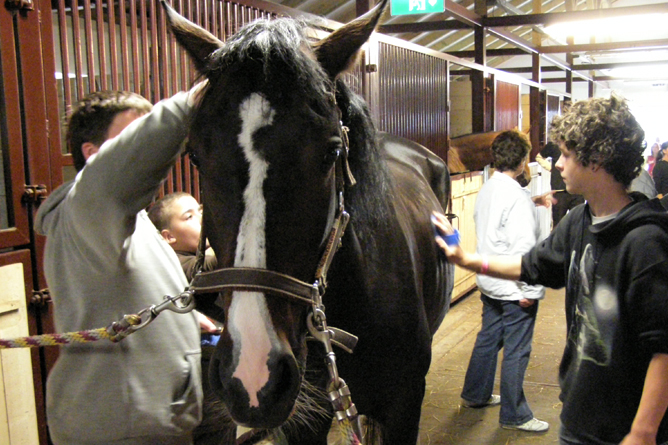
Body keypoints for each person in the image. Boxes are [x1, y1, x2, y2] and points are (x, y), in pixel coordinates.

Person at [434, 95, 668, 445]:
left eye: (567, 155)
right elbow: (531, 265)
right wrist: (467, 260)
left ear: (597, 160)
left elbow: (663, 348)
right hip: (578, 415)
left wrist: (642, 432)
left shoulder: (645, 243)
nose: (558, 164)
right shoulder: (578, 221)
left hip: (622, 428)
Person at [35, 88, 205, 445]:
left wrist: (180, 318)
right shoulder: (86, 206)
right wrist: (191, 102)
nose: (145, 142)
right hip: (119, 426)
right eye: (133, 133)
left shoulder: (125, 218)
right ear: (93, 154)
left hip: (147, 422)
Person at [459, 130, 548, 433]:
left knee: (488, 339)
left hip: (489, 281)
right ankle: (515, 415)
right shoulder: (517, 197)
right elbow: (524, 249)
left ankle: (475, 394)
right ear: (523, 161)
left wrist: (532, 202)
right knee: (516, 349)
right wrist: (531, 289)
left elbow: (497, 225)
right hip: (513, 288)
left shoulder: (488, 188)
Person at [540, 141, 585, 228]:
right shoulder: (554, 144)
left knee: (578, 223)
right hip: (559, 190)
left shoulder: (579, 142)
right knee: (558, 223)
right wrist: (552, 168)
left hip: (577, 189)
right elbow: (539, 157)